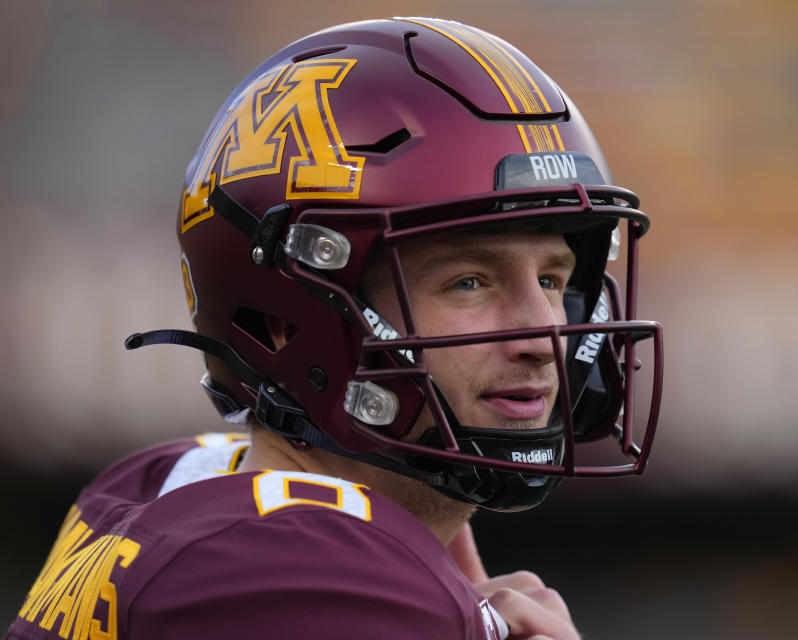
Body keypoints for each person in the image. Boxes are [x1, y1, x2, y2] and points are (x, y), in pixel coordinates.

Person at [7, 17, 663, 640]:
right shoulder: (298, 574)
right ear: (283, 320)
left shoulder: (166, 482)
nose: (543, 335)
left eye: (552, 280)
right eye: (470, 282)